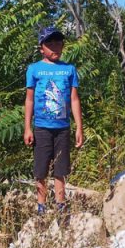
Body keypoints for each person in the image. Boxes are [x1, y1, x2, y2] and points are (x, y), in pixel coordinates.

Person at [24, 26, 83, 215]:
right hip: (41, 127)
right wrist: (27, 127)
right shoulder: (34, 69)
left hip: (63, 127)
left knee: (61, 168)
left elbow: (74, 99)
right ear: (41, 48)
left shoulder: (69, 69)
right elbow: (29, 99)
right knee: (41, 168)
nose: (55, 47)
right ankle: (41, 206)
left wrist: (79, 128)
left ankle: (60, 205)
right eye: (50, 43)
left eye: (58, 42)